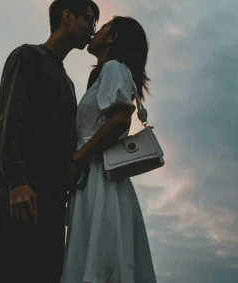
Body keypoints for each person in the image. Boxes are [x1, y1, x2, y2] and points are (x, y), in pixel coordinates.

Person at [0, 0, 99, 283]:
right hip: (19, 194)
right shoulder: (28, 56)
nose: (94, 28)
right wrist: (16, 181)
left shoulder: (69, 84)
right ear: (67, 17)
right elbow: (11, 119)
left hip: (51, 201)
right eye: (90, 18)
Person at [61, 16, 157, 283]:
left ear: (113, 37)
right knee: (102, 254)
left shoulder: (114, 67)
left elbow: (120, 119)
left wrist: (78, 159)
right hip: (99, 174)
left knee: (100, 254)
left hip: (98, 174)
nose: (96, 31)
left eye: (103, 27)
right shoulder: (107, 72)